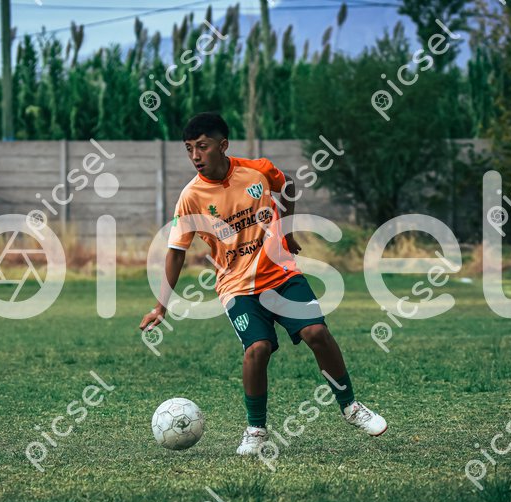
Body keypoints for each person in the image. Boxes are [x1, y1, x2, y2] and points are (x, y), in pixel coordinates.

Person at [138, 113, 387, 456]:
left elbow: (288, 185)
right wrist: (161, 306)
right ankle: (256, 429)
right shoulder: (191, 196)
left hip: (282, 275)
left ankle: (351, 407)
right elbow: (176, 252)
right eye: (189, 148)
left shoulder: (257, 171)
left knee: (317, 332)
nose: (195, 155)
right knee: (258, 348)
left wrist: (288, 230)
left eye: (202, 146)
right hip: (236, 286)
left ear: (223, 145)